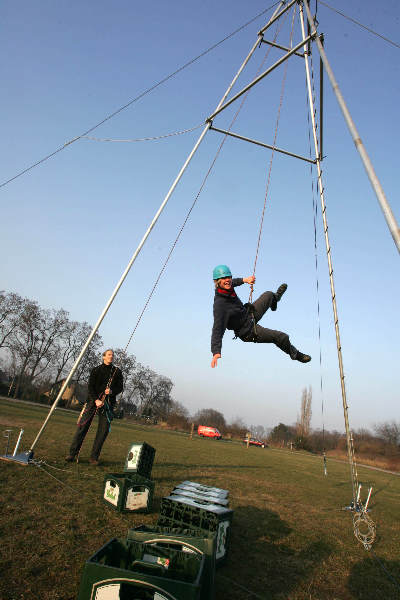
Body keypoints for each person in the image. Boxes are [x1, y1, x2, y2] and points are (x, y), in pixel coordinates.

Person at [210, 265, 311, 368]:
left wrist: (245, 280)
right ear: (217, 281)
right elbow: (217, 329)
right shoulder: (220, 305)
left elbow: (234, 282)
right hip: (248, 331)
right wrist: (216, 352)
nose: (228, 280)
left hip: (249, 314)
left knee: (268, 295)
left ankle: (275, 300)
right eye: (224, 278)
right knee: (281, 337)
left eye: (229, 277)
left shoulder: (228, 286)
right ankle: (296, 354)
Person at [65, 349, 123, 464]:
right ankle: (72, 454)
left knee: (103, 431)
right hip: (93, 402)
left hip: (108, 405)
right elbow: (90, 387)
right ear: (104, 357)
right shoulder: (96, 370)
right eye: (109, 355)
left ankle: (94, 457)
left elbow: (120, 387)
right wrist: (96, 400)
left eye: (112, 355)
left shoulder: (117, 371)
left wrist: (111, 391)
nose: (111, 357)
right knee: (82, 427)